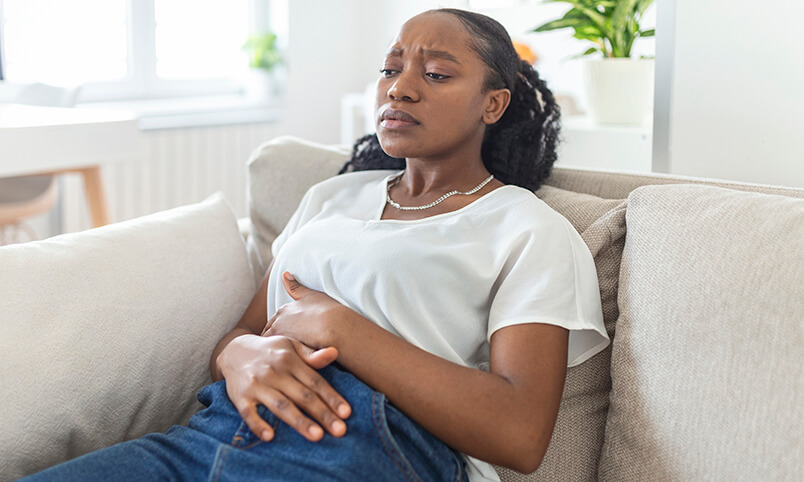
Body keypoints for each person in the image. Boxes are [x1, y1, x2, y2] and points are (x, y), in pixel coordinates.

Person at [23, 8, 608, 482]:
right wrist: (237, 356)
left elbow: (520, 435)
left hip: (366, 450)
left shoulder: (527, 229)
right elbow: (247, 328)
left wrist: (343, 329)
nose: (400, 88)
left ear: (493, 104)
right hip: (209, 434)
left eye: (435, 74)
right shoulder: (332, 198)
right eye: (390, 68)